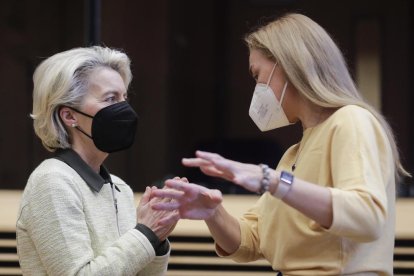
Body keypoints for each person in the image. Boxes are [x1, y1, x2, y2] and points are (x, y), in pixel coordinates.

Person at [151, 13, 411, 275]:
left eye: (257, 75)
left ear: (289, 65)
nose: (257, 88)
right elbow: (252, 240)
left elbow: (367, 216)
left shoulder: (350, 120)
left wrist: (273, 181)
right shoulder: (294, 154)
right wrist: (212, 212)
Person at [16, 46, 179, 275]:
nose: (124, 108)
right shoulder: (52, 182)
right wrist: (144, 234)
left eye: (124, 97)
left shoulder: (119, 188)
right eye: (110, 99)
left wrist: (157, 237)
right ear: (70, 116)